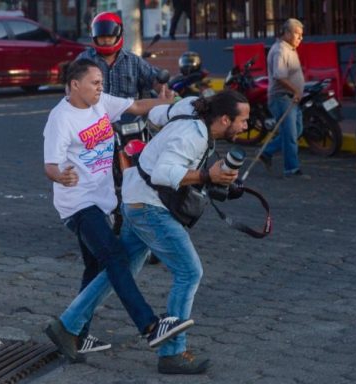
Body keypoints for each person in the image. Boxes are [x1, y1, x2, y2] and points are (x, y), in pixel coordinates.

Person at [52, 90, 250, 374]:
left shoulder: (189, 106)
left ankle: (66, 326)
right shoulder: (192, 136)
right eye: (243, 121)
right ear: (224, 119)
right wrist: (208, 175)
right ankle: (172, 353)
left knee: (122, 270)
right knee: (189, 271)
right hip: (149, 207)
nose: (246, 126)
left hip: (135, 195)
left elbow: (157, 114)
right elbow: (163, 173)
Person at [43, 59, 193, 362]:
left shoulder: (101, 104)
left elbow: (137, 106)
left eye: (101, 83)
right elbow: (49, 165)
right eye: (95, 83)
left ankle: (72, 333)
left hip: (103, 201)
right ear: (75, 85)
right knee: (116, 257)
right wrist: (61, 175)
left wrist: (172, 102)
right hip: (78, 205)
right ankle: (150, 325)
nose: (101, 88)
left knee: (96, 269)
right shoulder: (61, 119)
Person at [73, 10, 165, 351]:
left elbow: (145, 95)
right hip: (92, 169)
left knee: (141, 182)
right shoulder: (83, 69)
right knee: (107, 261)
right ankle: (146, 325)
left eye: (110, 38)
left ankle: (75, 330)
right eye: (101, 39)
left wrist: (164, 97)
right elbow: (55, 161)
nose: (105, 44)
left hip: (130, 134)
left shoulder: (132, 64)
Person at [77, 11, 162, 99]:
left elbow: (155, 80)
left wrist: (162, 88)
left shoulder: (134, 61)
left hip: (129, 111)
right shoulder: (84, 59)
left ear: (118, 35)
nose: (106, 40)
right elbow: (72, 87)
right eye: (102, 37)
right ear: (95, 37)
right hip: (94, 111)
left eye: (110, 36)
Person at [259, 18, 305, 177]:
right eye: (297, 34)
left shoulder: (290, 48)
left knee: (296, 131)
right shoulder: (280, 50)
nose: (300, 38)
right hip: (282, 98)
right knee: (291, 134)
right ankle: (291, 169)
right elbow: (279, 76)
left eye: (301, 35)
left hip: (290, 98)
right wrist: (296, 90)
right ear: (286, 33)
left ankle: (267, 151)